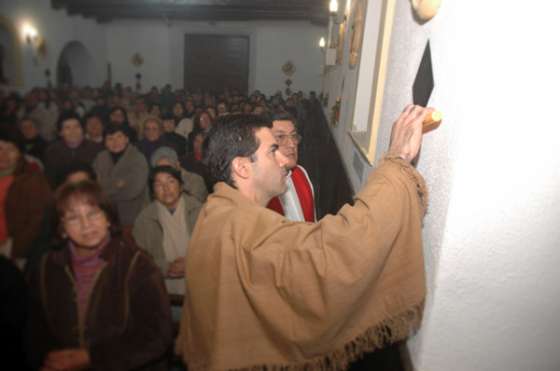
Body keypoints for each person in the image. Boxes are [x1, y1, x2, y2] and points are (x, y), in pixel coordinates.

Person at [176, 107, 431, 370]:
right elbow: (333, 251)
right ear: (242, 167)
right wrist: (397, 160)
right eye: (271, 151)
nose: (284, 160)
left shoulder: (215, 211)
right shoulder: (244, 228)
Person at [26, 180, 173, 371]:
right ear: (62, 229)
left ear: (108, 219)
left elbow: (157, 336)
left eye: (93, 214)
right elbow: (34, 329)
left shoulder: (136, 265)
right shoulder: (47, 267)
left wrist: (91, 357)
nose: (86, 225)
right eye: (73, 218)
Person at [133, 166, 201, 298]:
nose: (166, 188)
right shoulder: (144, 219)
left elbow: (214, 249)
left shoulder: (199, 211)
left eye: (171, 182)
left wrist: (191, 263)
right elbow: (139, 260)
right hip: (162, 290)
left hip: (200, 283)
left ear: (181, 186)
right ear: (152, 192)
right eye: (158, 184)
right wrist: (166, 267)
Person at [0, 128, 52, 267]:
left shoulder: (31, 178)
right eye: (0, 148)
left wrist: (14, 248)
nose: (3, 155)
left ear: (19, 153)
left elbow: (38, 220)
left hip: (13, 252)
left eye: (10, 149)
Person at [93, 123, 149, 229]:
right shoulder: (101, 158)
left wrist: (106, 189)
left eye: (119, 137)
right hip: (106, 216)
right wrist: (118, 184)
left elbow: (133, 190)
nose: (115, 142)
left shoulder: (138, 158)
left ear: (127, 139)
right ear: (105, 142)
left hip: (133, 216)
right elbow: (96, 187)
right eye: (110, 138)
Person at [266, 112, 315, 222]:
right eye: (280, 137)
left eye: (294, 136)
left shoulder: (301, 172)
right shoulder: (260, 188)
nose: (292, 144)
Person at [43, 112, 103, 186]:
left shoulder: (96, 149)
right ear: (60, 132)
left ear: (82, 129)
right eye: (67, 128)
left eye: (76, 127)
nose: (73, 131)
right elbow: (50, 180)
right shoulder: (52, 151)